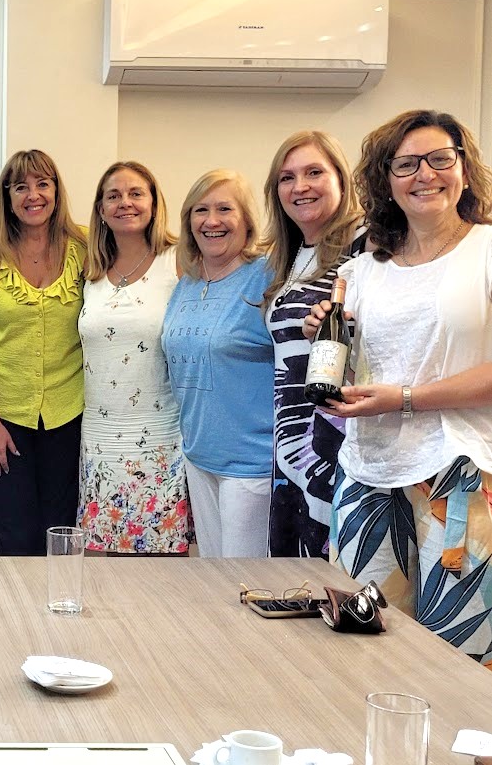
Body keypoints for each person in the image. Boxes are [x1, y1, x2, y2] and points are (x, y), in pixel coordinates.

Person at [304, 109, 492, 666]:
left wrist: (407, 399)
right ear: (386, 181)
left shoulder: (485, 251)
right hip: (368, 470)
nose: (425, 174)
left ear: (463, 169)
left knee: (456, 654)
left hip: (456, 473)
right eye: (406, 164)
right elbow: (359, 371)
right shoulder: (364, 270)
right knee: (359, 644)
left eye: (439, 159)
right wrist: (327, 336)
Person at [0, 149, 86, 556]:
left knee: (63, 532)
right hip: (6, 421)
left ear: (56, 191)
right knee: (15, 537)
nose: (33, 195)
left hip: (70, 415)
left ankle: (60, 598)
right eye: (21, 187)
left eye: (42, 184)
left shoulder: (85, 249)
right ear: (7, 197)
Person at [262, 131, 365, 558]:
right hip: (290, 440)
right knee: (293, 574)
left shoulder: (366, 244)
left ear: (341, 178)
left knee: (335, 569)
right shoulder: (288, 255)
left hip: (339, 436)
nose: (299, 186)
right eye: (287, 178)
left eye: (314, 173)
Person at [77, 161, 189, 554]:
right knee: (99, 563)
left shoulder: (178, 261)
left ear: (154, 204)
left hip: (160, 436)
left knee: (160, 562)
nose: (125, 202)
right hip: (99, 439)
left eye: (136, 193)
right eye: (114, 196)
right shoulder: (89, 269)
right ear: (101, 209)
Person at [162, 169, 273, 558]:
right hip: (199, 455)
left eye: (225, 209)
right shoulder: (188, 282)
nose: (212, 221)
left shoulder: (266, 277)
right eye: (201, 210)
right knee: (212, 575)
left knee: (243, 581)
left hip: (251, 462)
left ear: (247, 221)